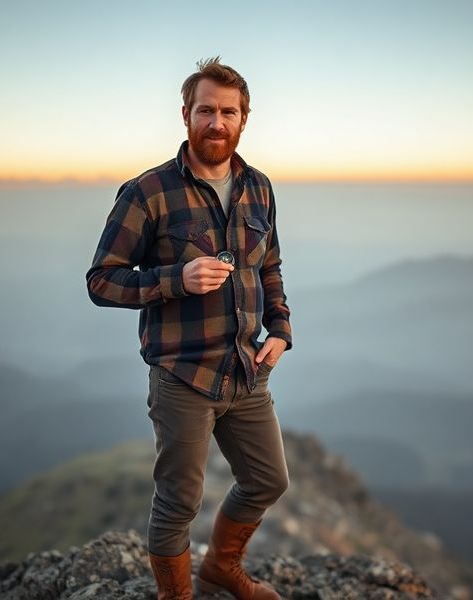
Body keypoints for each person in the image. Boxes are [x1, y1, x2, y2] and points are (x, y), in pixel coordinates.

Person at [85, 56, 291, 599]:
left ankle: (222, 568)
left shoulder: (259, 187)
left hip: (247, 371)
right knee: (177, 504)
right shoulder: (147, 192)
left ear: (244, 118)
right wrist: (176, 278)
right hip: (182, 376)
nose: (217, 122)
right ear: (185, 115)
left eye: (228, 111)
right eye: (206, 110)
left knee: (268, 480)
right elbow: (102, 281)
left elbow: (268, 266)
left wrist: (281, 329)